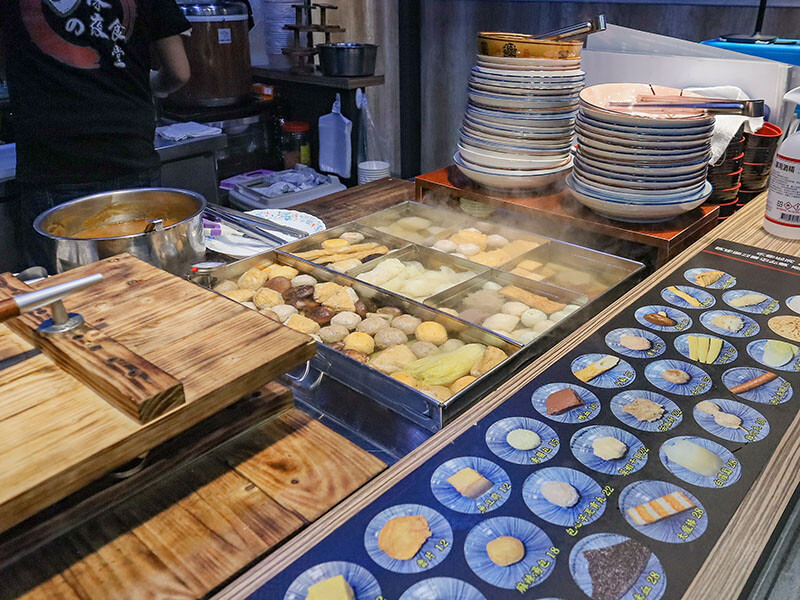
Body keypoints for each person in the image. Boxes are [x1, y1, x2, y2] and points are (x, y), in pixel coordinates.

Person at [0, 0, 192, 270]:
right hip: (130, 150)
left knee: (63, 287)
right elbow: (179, 72)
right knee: (146, 278)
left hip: (53, 161)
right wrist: (153, 86)